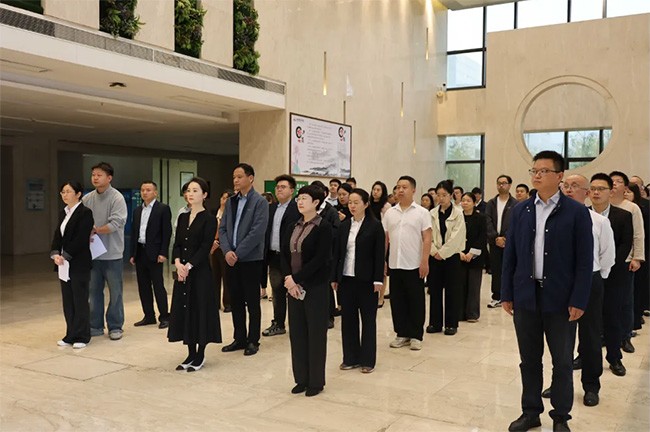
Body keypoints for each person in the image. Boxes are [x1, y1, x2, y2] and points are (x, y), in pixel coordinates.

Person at [502, 151, 593, 432]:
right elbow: (511, 255)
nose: (537, 175)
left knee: (562, 362)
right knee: (529, 360)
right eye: (534, 170)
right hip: (526, 296)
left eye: (544, 171)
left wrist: (579, 299)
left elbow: (584, 261)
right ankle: (530, 412)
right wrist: (507, 293)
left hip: (561, 299)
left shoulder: (576, 212)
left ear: (559, 176)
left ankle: (561, 417)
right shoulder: (521, 210)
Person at [542, 174, 615, 407]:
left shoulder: (598, 221)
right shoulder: (551, 218)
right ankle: (559, 384)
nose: (569, 190)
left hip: (590, 282)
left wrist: (595, 279)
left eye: (575, 186)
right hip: (561, 283)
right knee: (560, 340)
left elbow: (607, 256)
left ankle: (591, 386)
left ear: (587, 192)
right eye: (566, 186)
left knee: (590, 337)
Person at [281, 184, 333, 397]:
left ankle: (315, 381)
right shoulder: (292, 225)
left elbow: (321, 259)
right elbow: (284, 254)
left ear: (316, 202)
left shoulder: (323, 227)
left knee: (315, 334)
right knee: (297, 333)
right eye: (299, 198)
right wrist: (289, 279)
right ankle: (301, 378)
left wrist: (297, 279)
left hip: (315, 287)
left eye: (304, 198)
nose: (300, 202)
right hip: (293, 288)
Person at [168, 177, 221, 372]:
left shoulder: (209, 219)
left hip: (199, 272)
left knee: (200, 310)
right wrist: (177, 263)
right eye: (188, 190)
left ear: (204, 195)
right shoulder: (183, 217)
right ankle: (190, 352)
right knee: (185, 310)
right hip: (183, 272)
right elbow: (177, 244)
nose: (190, 194)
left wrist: (188, 266)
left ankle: (200, 353)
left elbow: (205, 247)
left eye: (195, 190)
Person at [332, 188, 385, 374]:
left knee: (368, 320)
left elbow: (379, 255)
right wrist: (335, 277)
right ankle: (350, 358)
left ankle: (368, 360)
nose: (352, 206)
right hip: (346, 279)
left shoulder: (375, 226)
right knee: (348, 319)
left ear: (366, 204)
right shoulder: (344, 225)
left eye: (356, 202)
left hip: (367, 280)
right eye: (350, 202)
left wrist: (378, 280)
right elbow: (337, 253)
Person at [219, 163, 269, 356]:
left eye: (239, 176)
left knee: (252, 302)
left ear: (250, 178)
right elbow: (223, 228)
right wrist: (227, 251)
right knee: (236, 300)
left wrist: (237, 253)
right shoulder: (231, 201)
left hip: (250, 259)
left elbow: (257, 231)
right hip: (231, 258)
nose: (236, 180)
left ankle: (253, 340)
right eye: (234, 177)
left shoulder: (259, 202)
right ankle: (239, 338)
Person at [588, 173, 633, 377]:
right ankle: (584, 355)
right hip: (590, 275)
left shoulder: (623, 216)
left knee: (612, 317)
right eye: (593, 189)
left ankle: (614, 357)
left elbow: (625, 244)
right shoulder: (582, 215)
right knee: (587, 320)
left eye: (601, 189)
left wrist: (609, 265)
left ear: (610, 191)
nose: (596, 193)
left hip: (615, 275)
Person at [382, 176, 432, 351]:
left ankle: (416, 335)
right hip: (395, 263)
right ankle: (401, 333)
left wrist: (424, 261)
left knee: (416, 300)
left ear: (413, 190)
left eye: (404, 187)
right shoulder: (390, 213)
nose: (400, 190)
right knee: (397, 300)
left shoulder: (422, 212)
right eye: (398, 187)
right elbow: (385, 238)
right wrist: (383, 260)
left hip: (414, 264)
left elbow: (427, 238)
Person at [82, 162, 127, 340]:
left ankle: (115, 326)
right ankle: (95, 325)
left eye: (99, 175)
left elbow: (117, 223)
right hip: (93, 254)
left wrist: (96, 230)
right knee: (93, 291)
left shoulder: (117, 198)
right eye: (93, 174)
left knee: (115, 292)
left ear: (109, 178)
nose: (95, 178)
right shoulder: (87, 199)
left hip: (112, 254)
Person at [50, 181, 94, 349]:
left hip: (78, 263)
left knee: (79, 299)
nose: (65, 195)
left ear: (78, 194)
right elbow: (58, 235)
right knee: (68, 300)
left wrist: (66, 255)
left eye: (68, 191)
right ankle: (70, 334)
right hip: (63, 264)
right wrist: (55, 253)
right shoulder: (63, 213)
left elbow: (81, 238)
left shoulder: (85, 213)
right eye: (63, 192)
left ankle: (83, 335)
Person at [609, 171, 645, 353]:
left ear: (625, 187)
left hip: (626, 259)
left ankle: (625, 336)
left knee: (625, 300)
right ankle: (605, 334)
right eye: (612, 181)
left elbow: (638, 234)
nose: (614, 184)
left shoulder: (631, 207)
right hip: (603, 262)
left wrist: (637, 257)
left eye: (618, 181)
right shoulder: (602, 205)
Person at [129, 181, 172, 329]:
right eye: (142, 190)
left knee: (158, 285)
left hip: (155, 252)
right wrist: (133, 253)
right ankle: (149, 316)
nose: (145, 192)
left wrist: (163, 252)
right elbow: (134, 232)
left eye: (148, 190)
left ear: (155, 192)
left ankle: (164, 316)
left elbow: (166, 232)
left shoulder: (163, 209)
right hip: (140, 251)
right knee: (143, 286)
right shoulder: (137, 210)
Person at [262, 175, 300, 337]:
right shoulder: (271, 208)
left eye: (283, 187)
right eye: (277, 187)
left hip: (292, 258)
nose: (279, 189)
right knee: (277, 290)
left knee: (294, 289)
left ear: (292, 190)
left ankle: (298, 324)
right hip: (274, 256)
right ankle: (278, 323)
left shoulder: (297, 209)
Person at [427, 180, 466, 336]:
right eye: (438, 195)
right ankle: (435, 323)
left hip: (451, 257)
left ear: (451, 195)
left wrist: (442, 253)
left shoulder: (458, 214)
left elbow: (456, 238)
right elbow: (427, 235)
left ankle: (451, 323)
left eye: (444, 195)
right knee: (434, 290)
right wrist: (434, 251)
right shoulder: (431, 213)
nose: (441, 198)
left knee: (452, 291)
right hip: (434, 256)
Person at [312, 180, 342, 328]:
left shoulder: (330, 211)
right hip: (310, 255)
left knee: (326, 286)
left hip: (327, 254)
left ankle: (329, 315)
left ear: (324, 193)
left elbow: (336, 232)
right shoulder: (308, 210)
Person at [485, 174, 517, 309]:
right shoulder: (491, 203)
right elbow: (487, 220)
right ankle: (496, 296)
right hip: (494, 243)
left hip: (509, 243)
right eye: (499, 183)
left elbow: (516, 223)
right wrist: (495, 238)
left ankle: (510, 296)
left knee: (510, 269)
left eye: (504, 183)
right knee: (496, 270)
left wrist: (505, 238)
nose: (501, 185)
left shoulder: (515, 204)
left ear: (509, 185)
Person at [458, 192, 486, 323]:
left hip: (475, 257)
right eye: (463, 200)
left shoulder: (481, 218)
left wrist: (471, 253)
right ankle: (460, 313)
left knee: (473, 286)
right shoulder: (458, 217)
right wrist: (460, 252)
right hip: (460, 255)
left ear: (474, 203)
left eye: (468, 200)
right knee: (460, 285)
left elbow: (482, 237)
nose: (465, 203)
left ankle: (472, 314)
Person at [210, 190, 234, 313]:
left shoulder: (231, 214)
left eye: (227, 198)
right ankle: (214, 302)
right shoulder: (213, 212)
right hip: (213, 247)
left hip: (225, 247)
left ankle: (228, 303)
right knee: (214, 275)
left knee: (226, 275)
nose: (224, 200)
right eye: (223, 198)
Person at [369, 180, 391, 307]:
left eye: (378, 190)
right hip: (369, 239)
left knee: (382, 269)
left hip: (383, 239)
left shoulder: (386, 207)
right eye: (374, 189)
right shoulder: (368, 204)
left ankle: (381, 297)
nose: (375, 192)